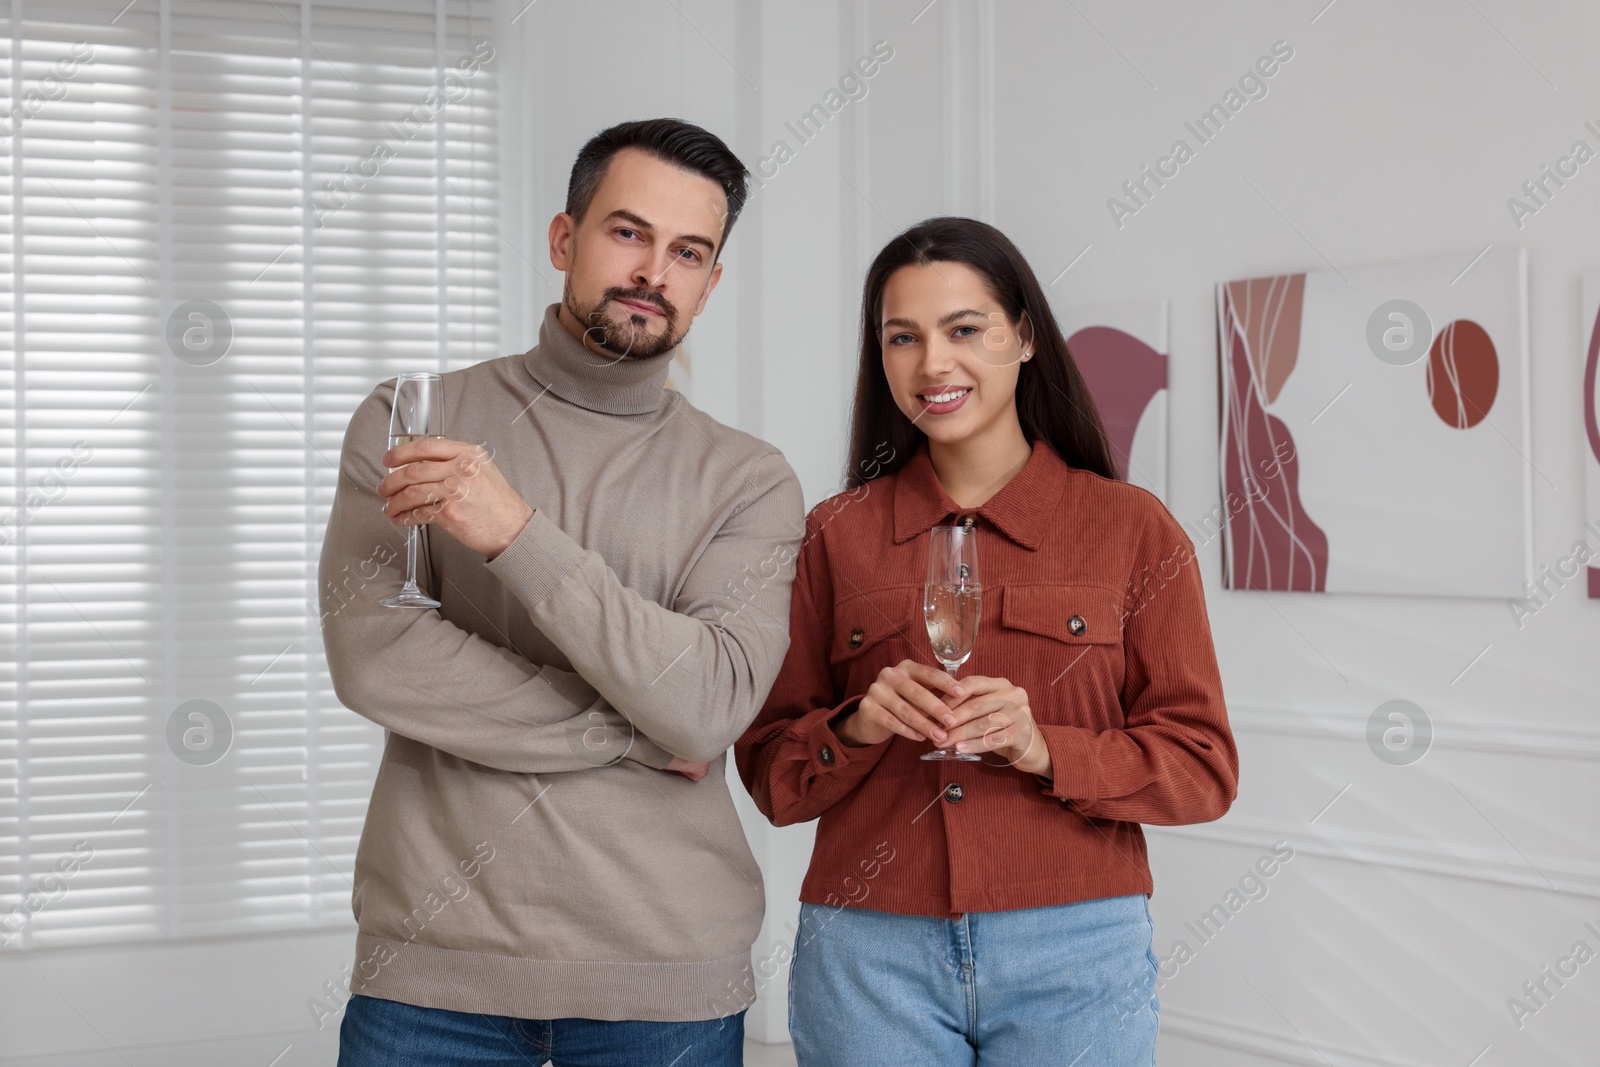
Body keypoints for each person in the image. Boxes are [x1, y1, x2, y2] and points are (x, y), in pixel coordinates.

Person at [320, 118, 804, 1066]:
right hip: (430, 978)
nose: (653, 271)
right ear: (563, 240)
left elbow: (707, 706)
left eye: (688, 252)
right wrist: (634, 729)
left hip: (666, 984)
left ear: (708, 285)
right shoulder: (417, 421)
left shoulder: (749, 480)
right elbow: (375, 653)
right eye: (629, 233)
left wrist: (515, 534)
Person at [736, 216, 1239, 1065]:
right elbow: (776, 779)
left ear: (1025, 336)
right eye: (904, 337)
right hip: (868, 955)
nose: (933, 363)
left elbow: (1203, 770)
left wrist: (1046, 748)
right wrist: (859, 724)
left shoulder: (1132, 530)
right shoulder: (835, 534)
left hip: (1076, 952)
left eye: (964, 329)